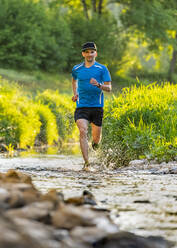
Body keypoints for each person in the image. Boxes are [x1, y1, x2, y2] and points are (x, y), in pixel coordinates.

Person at [71, 42, 112, 171]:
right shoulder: (76, 69)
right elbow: (73, 80)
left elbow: (109, 88)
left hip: (97, 107)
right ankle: (87, 163)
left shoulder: (102, 69)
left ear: (96, 53)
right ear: (83, 54)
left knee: (96, 138)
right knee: (83, 131)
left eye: (92, 52)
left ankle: (95, 144)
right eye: (87, 52)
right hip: (81, 106)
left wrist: (99, 85)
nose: (89, 54)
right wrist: (75, 93)